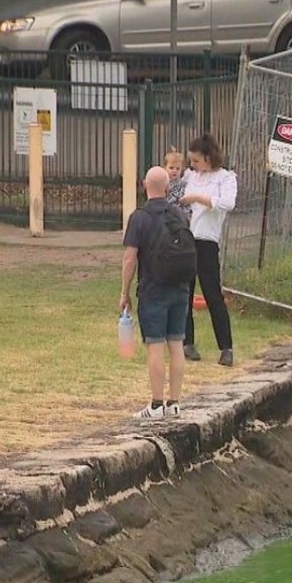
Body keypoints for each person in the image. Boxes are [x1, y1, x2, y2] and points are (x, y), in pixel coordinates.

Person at [120, 166, 191, 419]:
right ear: (168, 188)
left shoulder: (139, 218)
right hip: (181, 288)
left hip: (153, 290)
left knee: (156, 346)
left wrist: (124, 292)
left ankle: (156, 405)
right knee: (176, 343)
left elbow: (130, 259)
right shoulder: (180, 216)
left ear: (144, 185)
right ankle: (174, 403)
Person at [179, 133, 237, 367]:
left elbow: (227, 203)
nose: (192, 165)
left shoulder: (225, 178)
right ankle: (187, 342)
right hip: (186, 239)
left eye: (196, 160)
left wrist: (198, 198)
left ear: (208, 157)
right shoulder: (190, 175)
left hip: (207, 241)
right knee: (185, 292)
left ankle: (226, 347)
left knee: (213, 294)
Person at [163, 148, 191, 215]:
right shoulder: (161, 183)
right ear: (165, 167)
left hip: (179, 215)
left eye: (178, 168)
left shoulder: (183, 185)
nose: (174, 171)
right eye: (171, 168)